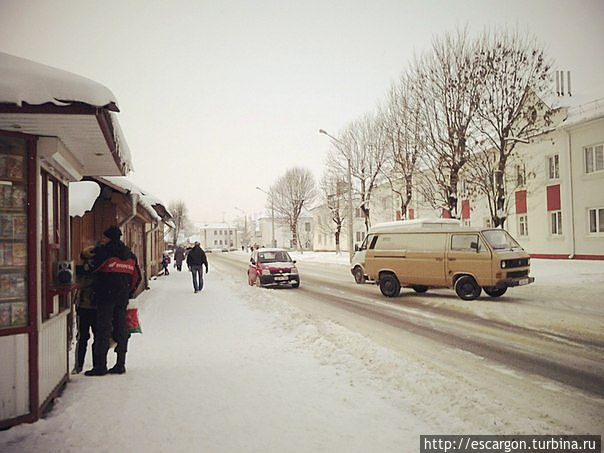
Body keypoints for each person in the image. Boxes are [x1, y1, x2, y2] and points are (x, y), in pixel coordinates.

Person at [85, 226, 141, 376]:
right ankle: (120, 364)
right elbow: (137, 277)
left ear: (108, 238)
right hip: (122, 298)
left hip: (105, 296)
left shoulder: (103, 253)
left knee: (103, 330)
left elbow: (92, 270)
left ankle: (100, 366)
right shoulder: (130, 255)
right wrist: (128, 291)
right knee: (121, 328)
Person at [72, 245, 97, 374]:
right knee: (87, 337)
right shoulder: (81, 270)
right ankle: (84, 365)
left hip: (87, 306)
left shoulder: (98, 269)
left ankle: (82, 366)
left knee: (85, 337)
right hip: (88, 306)